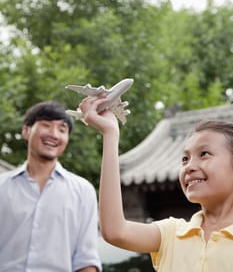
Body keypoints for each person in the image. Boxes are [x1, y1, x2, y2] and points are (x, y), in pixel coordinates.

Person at [79, 94, 233, 271]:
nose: (189, 166)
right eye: (185, 159)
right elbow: (115, 232)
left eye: (204, 154)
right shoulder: (171, 234)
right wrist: (110, 134)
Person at [0, 100, 102, 272]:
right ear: (26, 131)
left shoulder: (83, 191)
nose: (54, 134)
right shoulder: (2, 187)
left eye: (62, 129)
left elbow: (87, 259)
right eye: (46, 125)